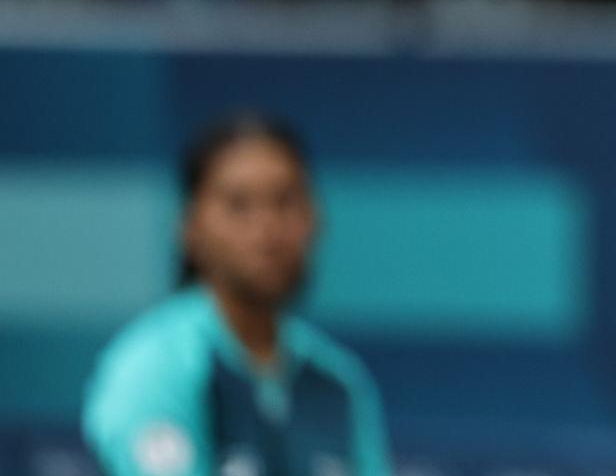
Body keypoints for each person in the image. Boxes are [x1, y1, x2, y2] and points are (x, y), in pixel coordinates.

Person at [82, 114, 390, 476]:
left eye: (284, 202)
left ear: (314, 219)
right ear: (189, 228)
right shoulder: (154, 367)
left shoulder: (339, 383)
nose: (266, 231)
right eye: (238, 206)